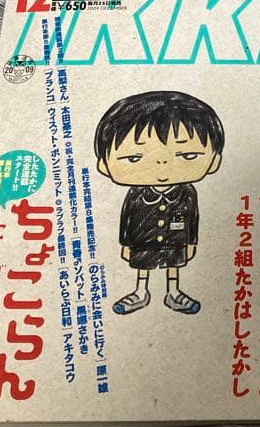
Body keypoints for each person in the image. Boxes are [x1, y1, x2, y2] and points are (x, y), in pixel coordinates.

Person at [94, 90, 224, 315]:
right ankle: (140, 292)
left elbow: (193, 219)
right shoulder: (136, 194)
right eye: (134, 158)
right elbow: (127, 219)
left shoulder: (187, 192)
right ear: (104, 165)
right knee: (143, 265)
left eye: (187, 156)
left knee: (173, 264)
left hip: (176, 238)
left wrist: (191, 243)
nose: (162, 165)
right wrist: (126, 245)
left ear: (214, 161)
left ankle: (173, 292)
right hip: (142, 240)